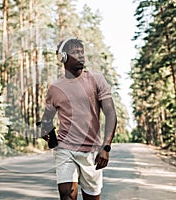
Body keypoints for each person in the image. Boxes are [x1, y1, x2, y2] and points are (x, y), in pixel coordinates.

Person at [40, 38, 117, 200]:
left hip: (92, 152)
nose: (81, 56)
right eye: (75, 52)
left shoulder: (96, 79)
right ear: (62, 57)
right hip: (65, 149)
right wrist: (46, 131)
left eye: (82, 52)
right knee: (66, 195)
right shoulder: (55, 88)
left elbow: (110, 113)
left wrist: (106, 147)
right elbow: (47, 118)